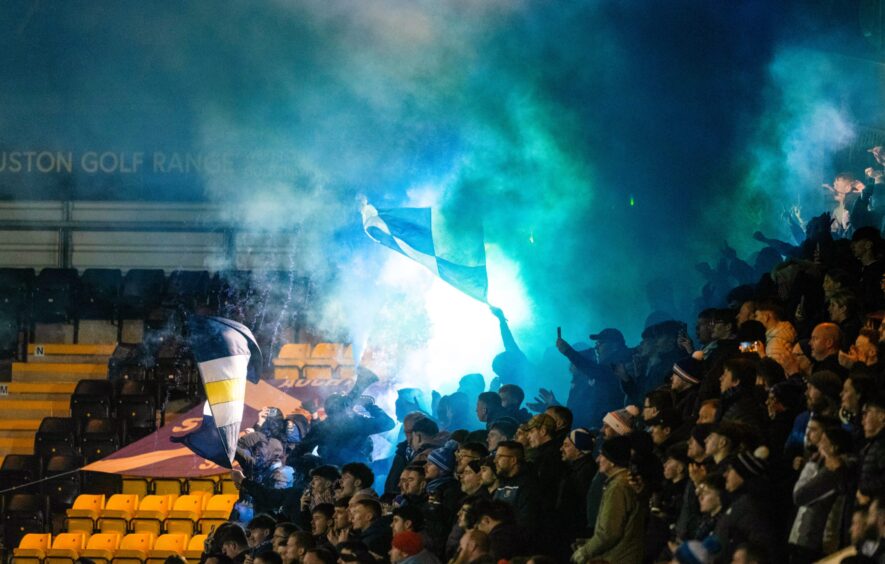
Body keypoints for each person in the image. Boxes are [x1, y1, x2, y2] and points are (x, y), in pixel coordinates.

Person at [293, 368, 395, 466]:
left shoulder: (322, 427)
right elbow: (388, 423)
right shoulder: (357, 423)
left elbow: (297, 454)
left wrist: (313, 463)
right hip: (356, 472)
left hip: (330, 473)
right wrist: (370, 406)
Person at [571, 435, 645, 564]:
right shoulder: (622, 482)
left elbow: (609, 533)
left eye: (602, 455)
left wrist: (583, 552)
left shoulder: (618, 487)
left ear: (612, 461)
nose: (598, 459)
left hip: (618, 558)